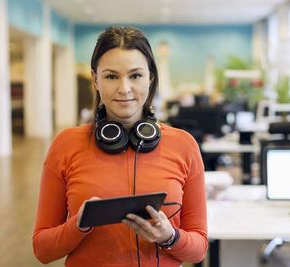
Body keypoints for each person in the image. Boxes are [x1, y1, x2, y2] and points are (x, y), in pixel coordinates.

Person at [32, 26, 208, 267]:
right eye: (111, 76)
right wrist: (79, 224)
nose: (124, 88)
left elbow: (198, 250)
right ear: (95, 79)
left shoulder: (183, 145)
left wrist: (170, 237)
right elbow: (42, 250)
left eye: (135, 75)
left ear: (150, 77)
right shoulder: (66, 144)